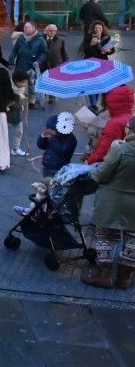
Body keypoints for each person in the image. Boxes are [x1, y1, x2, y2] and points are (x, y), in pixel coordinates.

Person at [83, 117, 135, 289]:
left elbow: (101, 175)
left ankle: (105, 274)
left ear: (130, 129)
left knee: (104, 233)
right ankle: (125, 276)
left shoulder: (120, 150)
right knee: (133, 237)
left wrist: (92, 172)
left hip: (112, 201)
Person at [85, 85, 134, 164]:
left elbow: (102, 152)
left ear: (111, 100)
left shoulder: (114, 124)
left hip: (108, 165)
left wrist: (88, 161)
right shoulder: (131, 117)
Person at [37, 112, 77, 178]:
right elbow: (41, 146)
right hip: (47, 166)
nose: (48, 130)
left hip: (58, 169)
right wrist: (42, 137)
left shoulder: (71, 139)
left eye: (51, 129)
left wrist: (51, 138)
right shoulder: (53, 136)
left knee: (53, 186)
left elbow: (62, 150)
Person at [10, 70, 31, 157]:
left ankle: (15, 148)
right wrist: (18, 97)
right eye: (23, 82)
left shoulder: (23, 87)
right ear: (16, 81)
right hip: (7, 111)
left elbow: (25, 97)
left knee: (19, 131)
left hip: (18, 111)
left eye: (26, 82)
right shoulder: (8, 86)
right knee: (3, 131)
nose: (25, 84)